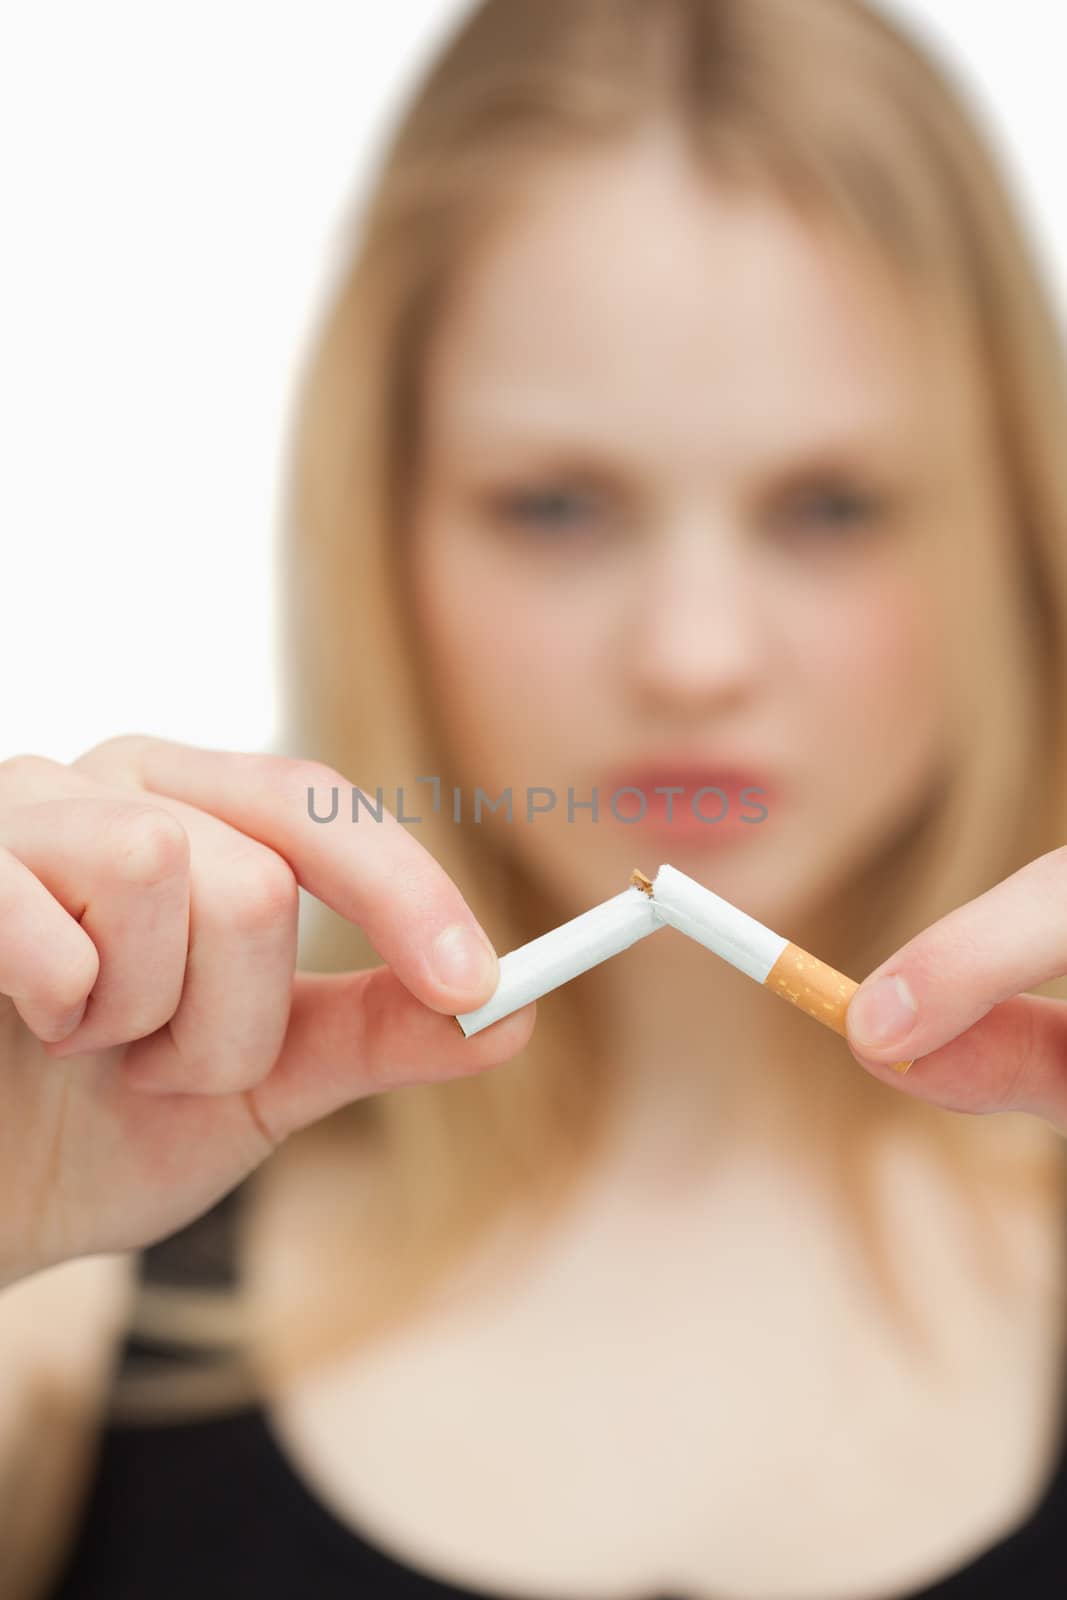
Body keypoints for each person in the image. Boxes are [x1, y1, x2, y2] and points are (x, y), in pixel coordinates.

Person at [3, 0, 1067, 1594]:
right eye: (557, 505)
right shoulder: (63, 1303)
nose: (694, 656)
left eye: (831, 506)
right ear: (390, 527)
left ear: (1010, 522)